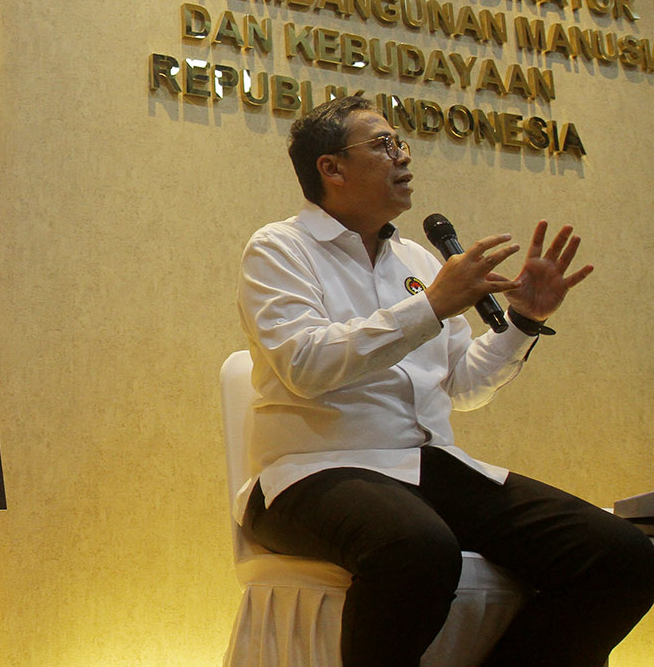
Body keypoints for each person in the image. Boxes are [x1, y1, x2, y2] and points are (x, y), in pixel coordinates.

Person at [236, 96, 654, 667]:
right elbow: (304, 364)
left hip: (431, 470)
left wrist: (525, 321)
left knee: (624, 557)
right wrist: (430, 306)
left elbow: (464, 386)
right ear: (330, 168)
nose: (403, 156)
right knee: (417, 548)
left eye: (401, 143)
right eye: (383, 145)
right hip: (315, 472)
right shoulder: (279, 248)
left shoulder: (419, 260)